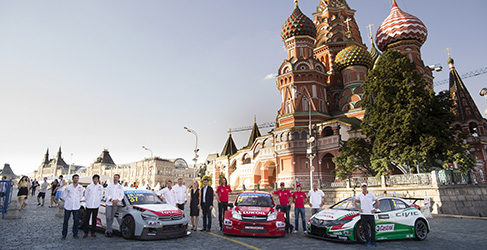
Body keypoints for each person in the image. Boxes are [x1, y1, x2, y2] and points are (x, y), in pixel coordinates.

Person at [61, 174, 84, 239]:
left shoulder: (80, 187)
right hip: (68, 206)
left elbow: (81, 195)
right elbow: (64, 196)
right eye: (75, 178)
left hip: (76, 206)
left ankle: (75, 233)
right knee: (66, 221)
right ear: (73, 179)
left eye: (77, 178)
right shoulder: (68, 187)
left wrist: (77, 200)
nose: (76, 179)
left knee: (76, 221)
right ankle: (64, 234)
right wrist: (68, 201)